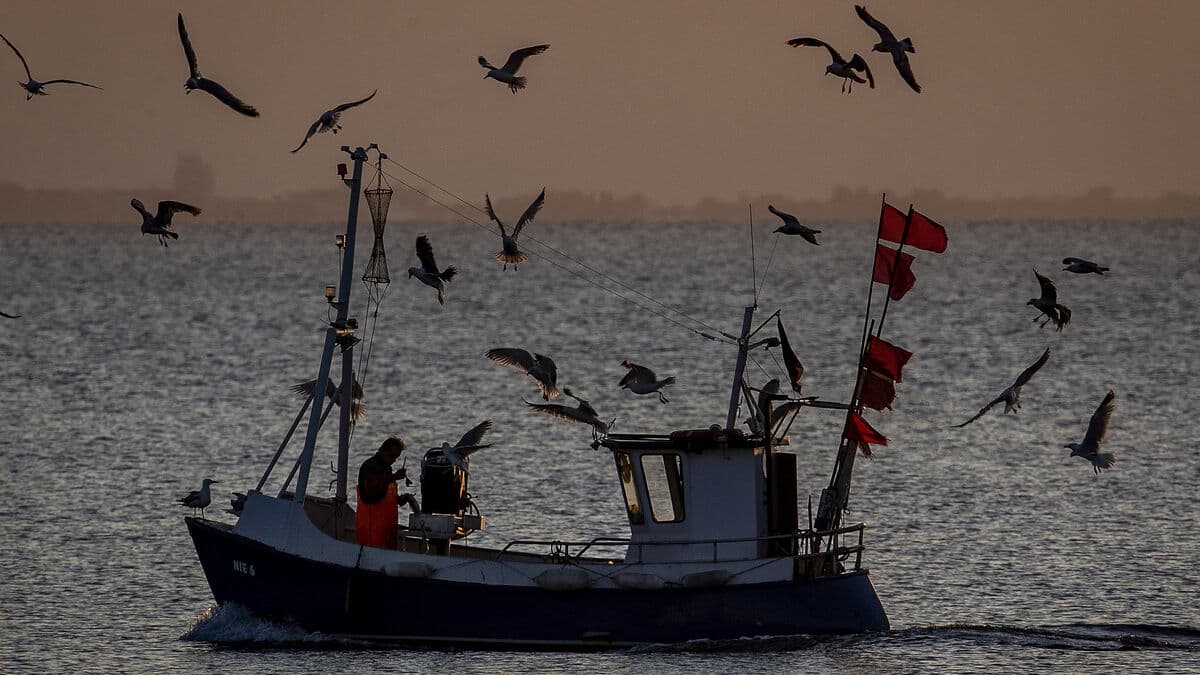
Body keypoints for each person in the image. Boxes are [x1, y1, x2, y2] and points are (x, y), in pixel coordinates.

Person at [355, 436, 419, 548]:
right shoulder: (371, 465)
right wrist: (394, 476)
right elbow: (370, 487)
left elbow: (388, 498)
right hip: (371, 529)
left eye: (396, 457)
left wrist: (405, 498)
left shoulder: (387, 468)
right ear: (382, 450)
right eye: (392, 456)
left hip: (387, 528)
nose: (394, 460)